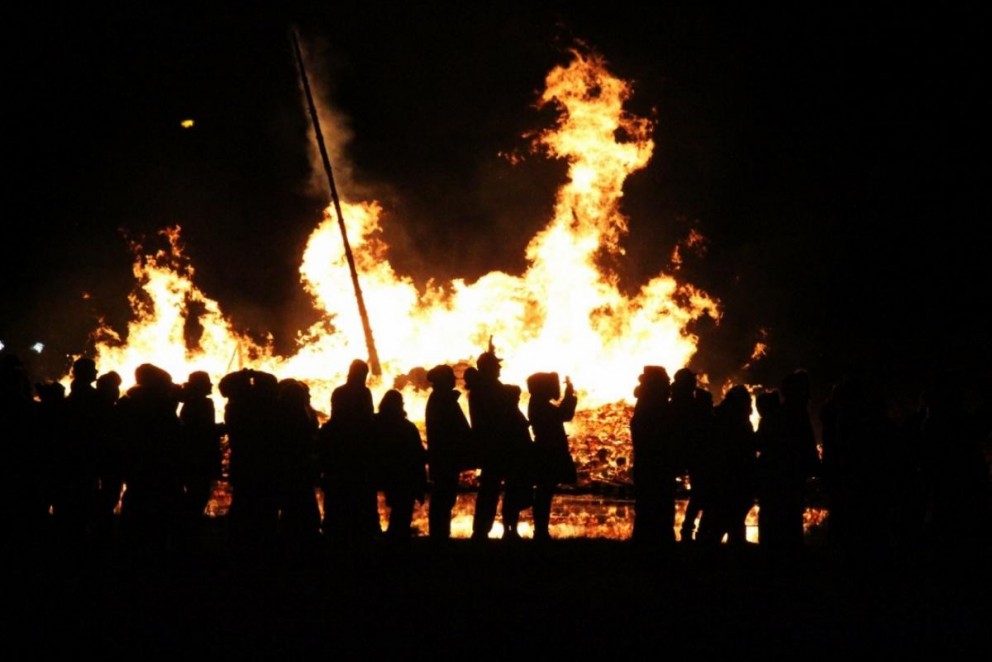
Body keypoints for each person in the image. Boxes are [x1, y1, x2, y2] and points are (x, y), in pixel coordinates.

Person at [318, 359, 379, 544]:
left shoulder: (339, 392)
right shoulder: (364, 393)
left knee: (338, 500)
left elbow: (335, 417)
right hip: (358, 455)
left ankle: (336, 534)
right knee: (361, 499)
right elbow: (367, 421)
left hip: (339, 454)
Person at [527, 372, 578, 541]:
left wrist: (568, 394)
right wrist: (569, 395)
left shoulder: (538, 403)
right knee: (544, 492)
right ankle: (540, 532)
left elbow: (561, 413)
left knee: (544, 492)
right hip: (548, 451)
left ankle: (541, 531)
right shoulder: (540, 405)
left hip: (546, 449)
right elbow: (565, 414)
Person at [425, 364, 473, 540]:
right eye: (450, 376)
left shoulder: (441, 399)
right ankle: (439, 535)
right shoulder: (443, 400)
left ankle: (440, 534)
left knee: (444, 497)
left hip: (444, 457)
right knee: (443, 497)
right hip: (446, 457)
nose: (454, 379)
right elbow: (455, 429)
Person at [374, 389, 427, 543]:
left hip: (380, 472)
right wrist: (420, 483)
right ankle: (397, 541)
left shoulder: (374, 423)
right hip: (403, 476)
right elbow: (417, 455)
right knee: (402, 512)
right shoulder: (407, 428)